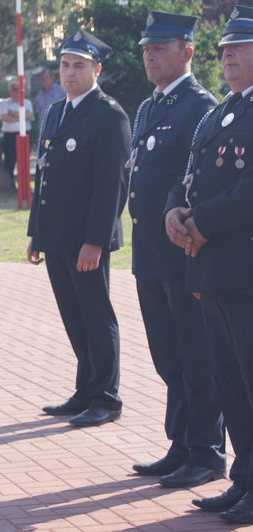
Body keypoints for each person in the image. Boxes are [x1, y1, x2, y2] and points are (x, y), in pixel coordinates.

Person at [127, 11, 225, 489]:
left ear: (187, 51)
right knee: (168, 355)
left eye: (160, 48)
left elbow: (199, 181)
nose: (150, 55)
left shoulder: (200, 107)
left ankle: (206, 450)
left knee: (195, 354)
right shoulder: (149, 108)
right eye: (147, 48)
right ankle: (181, 442)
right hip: (149, 251)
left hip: (183, 254)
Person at [164, 5, 253, 524]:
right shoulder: (220, 111)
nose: (229, 57)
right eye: (225, 49)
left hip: (243, 270)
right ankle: (243, 479)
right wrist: (174, 209)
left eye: (239, 48)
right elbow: (190, 173)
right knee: (231, 383)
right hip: (214, 270)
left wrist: (200, 223)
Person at [26, 29, 130, 428]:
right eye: (65, 65)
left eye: (79, 66)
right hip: (56, 236)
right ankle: (86, 388)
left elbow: (111, 186)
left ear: (96, 69)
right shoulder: (56, 112)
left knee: (95, 314)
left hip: (87, 239)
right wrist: (37, 232)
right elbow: (44, 176)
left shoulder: (108, 114)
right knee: (73, 315)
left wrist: (96, 241)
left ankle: (106, 395)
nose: (69, 73)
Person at [0, 80, 34, 178]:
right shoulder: (4, 103)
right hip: (9, 136)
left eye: (18, 89)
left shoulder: (27, 102)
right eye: (14, 89)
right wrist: (21, 117)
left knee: (24, 161)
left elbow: (29, 116)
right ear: (10, 91)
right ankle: (11, 184)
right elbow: (4, 117)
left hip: (25, 134)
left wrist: (13, 113)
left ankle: (25, 182)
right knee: (9, 160)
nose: (16, 92)